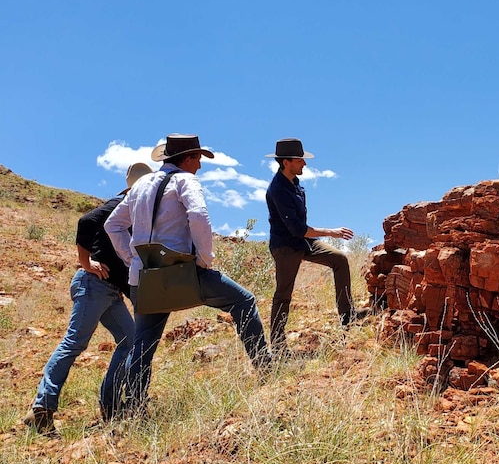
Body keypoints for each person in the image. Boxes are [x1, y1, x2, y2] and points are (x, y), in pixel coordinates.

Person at [105, 134, 272, 415]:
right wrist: (205, 260)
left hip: (144, 277)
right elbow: (198, 214)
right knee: (244, 302)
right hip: (182, 271)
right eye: (197, 159)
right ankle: (266, 370)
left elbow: (113, 225)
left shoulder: (141, 185)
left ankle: (133, 407)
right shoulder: (186, 181)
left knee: (143, 341)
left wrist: (131, 258)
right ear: (186, 158)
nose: (200, 166)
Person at [23, 162, 153, 434]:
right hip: (93, 284)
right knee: (74, 343)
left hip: (108, 290)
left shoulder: (133, 207)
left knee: (130, 340)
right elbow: (86, 220)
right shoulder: (124, 202)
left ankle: (111, 407)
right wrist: (86, 263)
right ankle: (42, 409)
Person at [265, 138, 368, 353]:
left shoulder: (294, 183)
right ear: (286, 162)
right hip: (286, 246)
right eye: (300, 160)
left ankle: (347, 316)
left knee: (339, 260)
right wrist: (332, 232)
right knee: (283, 294)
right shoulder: (277, 190)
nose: (304, 163)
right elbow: (297, 229)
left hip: (303, 242)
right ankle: (277, 344)